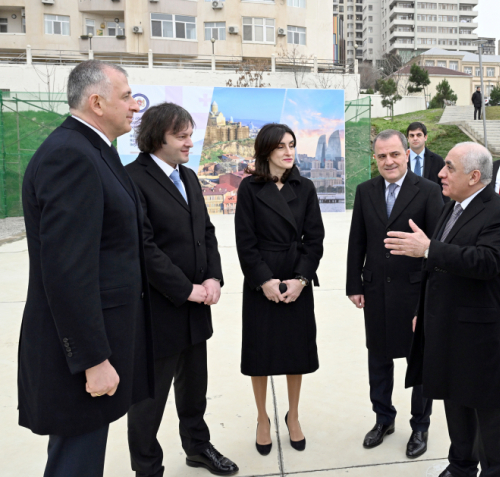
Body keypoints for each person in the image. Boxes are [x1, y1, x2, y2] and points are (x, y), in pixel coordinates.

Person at [18, 60, 154, 477]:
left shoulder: (93, 149)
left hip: (98, 342)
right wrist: (93, 360)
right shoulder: (71, 157)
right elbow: (66, 271)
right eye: (127, 96)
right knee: (76, 462)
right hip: (79, 356)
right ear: (96, 102)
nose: (135, 106)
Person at [387, 142, 500, 477]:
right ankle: (461, 466)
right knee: (454, 401)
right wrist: (424, 308)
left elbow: (487, 261)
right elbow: (439, 267)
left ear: (475, 176)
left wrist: (429, 248)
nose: (440, 173)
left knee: (488, 415)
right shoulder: (454, 206)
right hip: (446, 326)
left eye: (449, 167)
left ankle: (494, 472)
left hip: (481, 335)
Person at [125, 103, 238, 476]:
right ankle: (147, 467)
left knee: (194, 391)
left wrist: (212, 278)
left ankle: (197, 447)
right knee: (149, 400)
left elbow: (205, 230)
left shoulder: (188, 177)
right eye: (182, 136)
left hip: (195, 306)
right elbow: (143, 247)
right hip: (158, 311)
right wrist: (184, 288)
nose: (191, 142)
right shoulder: (133, 179)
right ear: (159, 138)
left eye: (191, 133)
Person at [346, 129, 444, 458]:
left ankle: (420, 426)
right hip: (375, 292)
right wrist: (354, 285)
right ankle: (383, 418)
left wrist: (431, 297)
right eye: (381, 156)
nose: (388, 161)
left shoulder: (429, 192)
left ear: (407, 154)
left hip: (415, 293)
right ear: (375, 159)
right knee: (379, 360)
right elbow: (356, 241)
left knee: (419, 364)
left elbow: (436, 249)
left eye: (394, 154)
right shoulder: (365, 191)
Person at [235, 123, 324, 456]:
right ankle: (262, 418)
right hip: (262, 281)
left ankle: (294, 415)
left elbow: (315, 240)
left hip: (296, 278)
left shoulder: (306, 187)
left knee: (294, 353)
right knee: (260, 355)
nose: (289, 152)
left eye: (292, 145)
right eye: (281, 147)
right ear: (266, 151)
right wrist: (264, 281)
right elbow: (245, 243)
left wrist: (301, 280)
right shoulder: (249, 189)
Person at [405, 122, 448, 201]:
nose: (415, 138)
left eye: (419, 135)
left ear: (425, 137)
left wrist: (444, 211)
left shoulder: (437, 161)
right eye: (412, 135)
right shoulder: (400, 160)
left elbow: (445, 189)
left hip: (431, 208)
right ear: (407, 138)